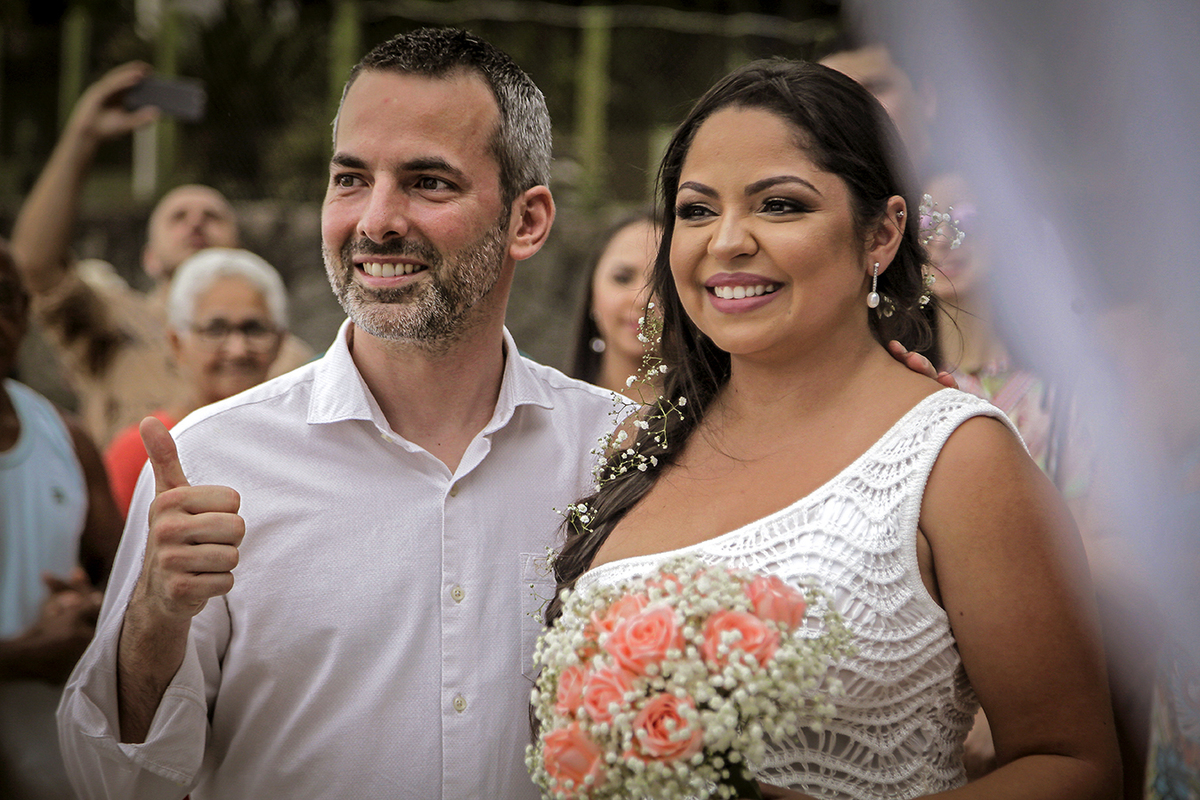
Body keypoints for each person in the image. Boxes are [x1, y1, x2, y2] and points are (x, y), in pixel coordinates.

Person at [57, 30, 955, 800]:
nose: (375, 220)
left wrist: (878, 400)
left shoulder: (635, 454)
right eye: (349, 178)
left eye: (427, 183)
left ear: (528, 220)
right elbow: (113, 784)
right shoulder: (215, 460)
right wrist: (156, 618)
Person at [548, 59, 1120, 799]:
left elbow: (1077, 766)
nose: (725, 241)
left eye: (779, 205)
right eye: (695, 210)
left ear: (882, 233)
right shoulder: (636, 448)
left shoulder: (958, 457)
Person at [9, 61, 312, 448]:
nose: (196, 223)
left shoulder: (286, 353)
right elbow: (33, 266)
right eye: (178, 217)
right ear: (149, 258)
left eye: (212, 216)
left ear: (237, 252)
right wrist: (82, 136)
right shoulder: (113, 322)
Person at [0, 239, 123, 799]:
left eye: (6, 300)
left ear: (25, 313)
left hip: (48, 769)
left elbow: (121, 584)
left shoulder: (62, 435)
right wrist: (26, 657)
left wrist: (89, 609)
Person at [102, 248, 288, 518]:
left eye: (254, 329)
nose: (237, 350)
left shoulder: (300, 442)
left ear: (280, 341)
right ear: (177, 343)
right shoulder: (139, 453)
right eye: (215, 330)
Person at [569, 212, 660, 398]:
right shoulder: (550, 409)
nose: (643, 299)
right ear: (591, 289)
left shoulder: (722, 420)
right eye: (622, 278)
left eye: (665, 284)